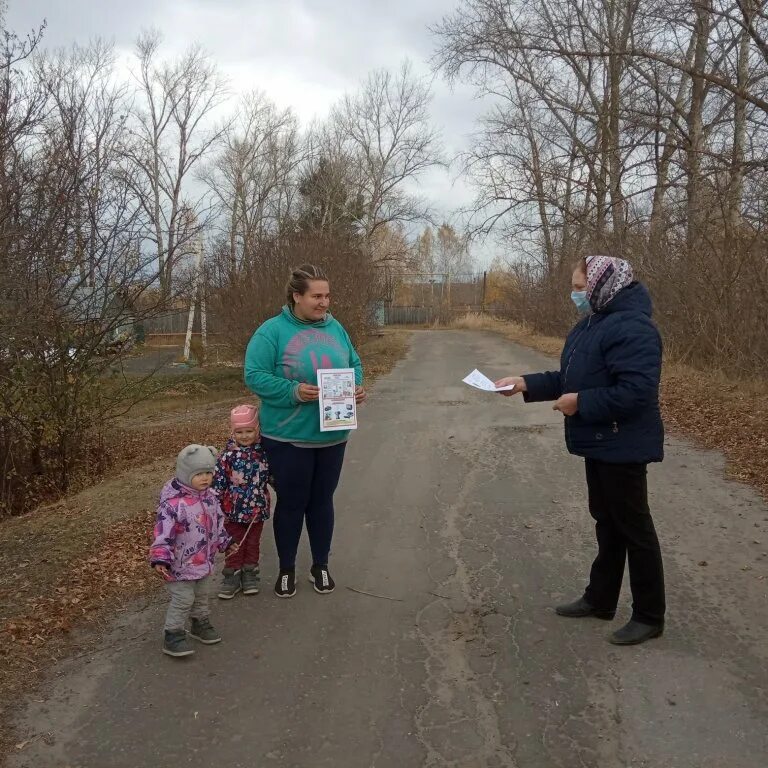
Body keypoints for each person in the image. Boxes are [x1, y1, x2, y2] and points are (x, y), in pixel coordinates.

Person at [495, 255, 666, 645]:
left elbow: (636, 392)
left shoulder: (634, 328)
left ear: (602, 287)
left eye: (578, 287)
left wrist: (581, 404)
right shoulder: (593, 323)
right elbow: (570, 378)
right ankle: (600, 598)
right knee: (607, 522)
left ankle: (649, 615)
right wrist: (524, 383)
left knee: (635, 529)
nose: (574, 294)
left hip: (623, 442)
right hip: (601, 441)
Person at [244, 264, 365, 598]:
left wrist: (355, 387)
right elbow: (254, 375)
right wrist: (293, 392)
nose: (324, 302)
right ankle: (286, 569)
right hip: (288, 437)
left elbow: (354, 364)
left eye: (327, 295)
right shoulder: (272, 331)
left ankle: (320, 566)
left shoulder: (336, 328)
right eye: (316, 296)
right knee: (293, 503)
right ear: (297, 296)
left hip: (333, 435)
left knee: (322, 501)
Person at [149, 444, 236, 657]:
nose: (205, 478)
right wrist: (161, 557)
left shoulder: (210, 497)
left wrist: (225, 542)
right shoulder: (173, 505)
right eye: (199, 474)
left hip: (204, 562)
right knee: (183, 599)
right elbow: (163, 532)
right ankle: (173, 633)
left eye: (209, 473)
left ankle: (199, 623)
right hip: (179, 564)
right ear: (185, 473)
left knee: (202, 595)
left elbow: (217, 525)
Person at [213, 404, 271, 599]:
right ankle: (231, 576)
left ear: (257, 430)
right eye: (239, 432)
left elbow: (272, 476)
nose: (244, 436)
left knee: (252, 543)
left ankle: (250, 575)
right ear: (233, 431)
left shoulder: (263, 453)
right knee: (234, 543)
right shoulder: (227, 456)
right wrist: (214, 504)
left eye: (249, 431)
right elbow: (218, 482)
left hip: (256, 508)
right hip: (233, 510)